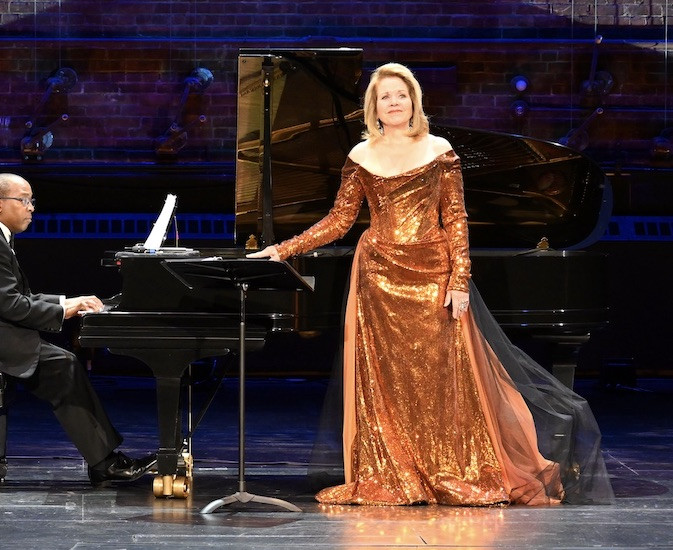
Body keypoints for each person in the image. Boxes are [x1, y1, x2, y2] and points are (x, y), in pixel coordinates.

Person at [248, 63, 613, 506]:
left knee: (442, 379)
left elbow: (455, 219)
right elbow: (339, 221)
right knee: (386, 382)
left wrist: (459, 279)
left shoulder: (439, 150)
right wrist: (282, 249)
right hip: (378, 279)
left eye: (401, 95)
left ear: (414, 101)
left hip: (433, 275)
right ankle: (397, 472)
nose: (394, 102)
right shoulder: (360, 156)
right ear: (374, 107)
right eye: (385, 96)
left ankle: (449, 467)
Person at [0, 172, 155, 487]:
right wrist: (64, 311)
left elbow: (18, 297)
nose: (31, 208)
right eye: (23, 200)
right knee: (63, 365)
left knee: (65, 364)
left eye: (32, 201)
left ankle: (105, 460)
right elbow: (12, 306)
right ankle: (104, 463)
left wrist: (69, 301)